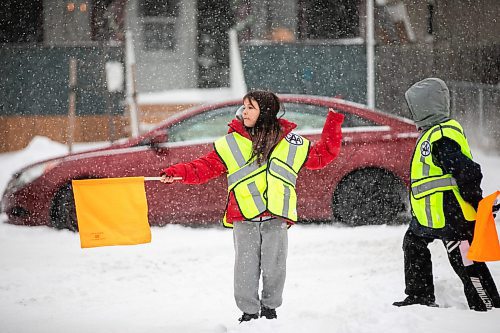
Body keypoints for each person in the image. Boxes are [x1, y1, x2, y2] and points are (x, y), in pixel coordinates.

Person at [160, 90, 344, 322]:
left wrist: (334, 120)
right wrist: (175, 173)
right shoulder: (231, 143)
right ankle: (248, 312)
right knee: (245, 269)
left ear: (265, 112)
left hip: (276, 216)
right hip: (244, 216)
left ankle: (270, 309)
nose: (244, 112)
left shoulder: (291, 142)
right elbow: (202, 168)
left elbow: (322, 155)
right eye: (244, 107)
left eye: (251, 107)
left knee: (275, 266)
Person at [393, 78, 500, 311]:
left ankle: (487, 304)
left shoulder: (442, 136)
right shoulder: (431, 134)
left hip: (452, 213)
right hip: (430, 215)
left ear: (424, 109)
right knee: (413, 244)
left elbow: (467, 172)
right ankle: (419, 296)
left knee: (464, 258)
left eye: (415, 109)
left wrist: (476, 200)